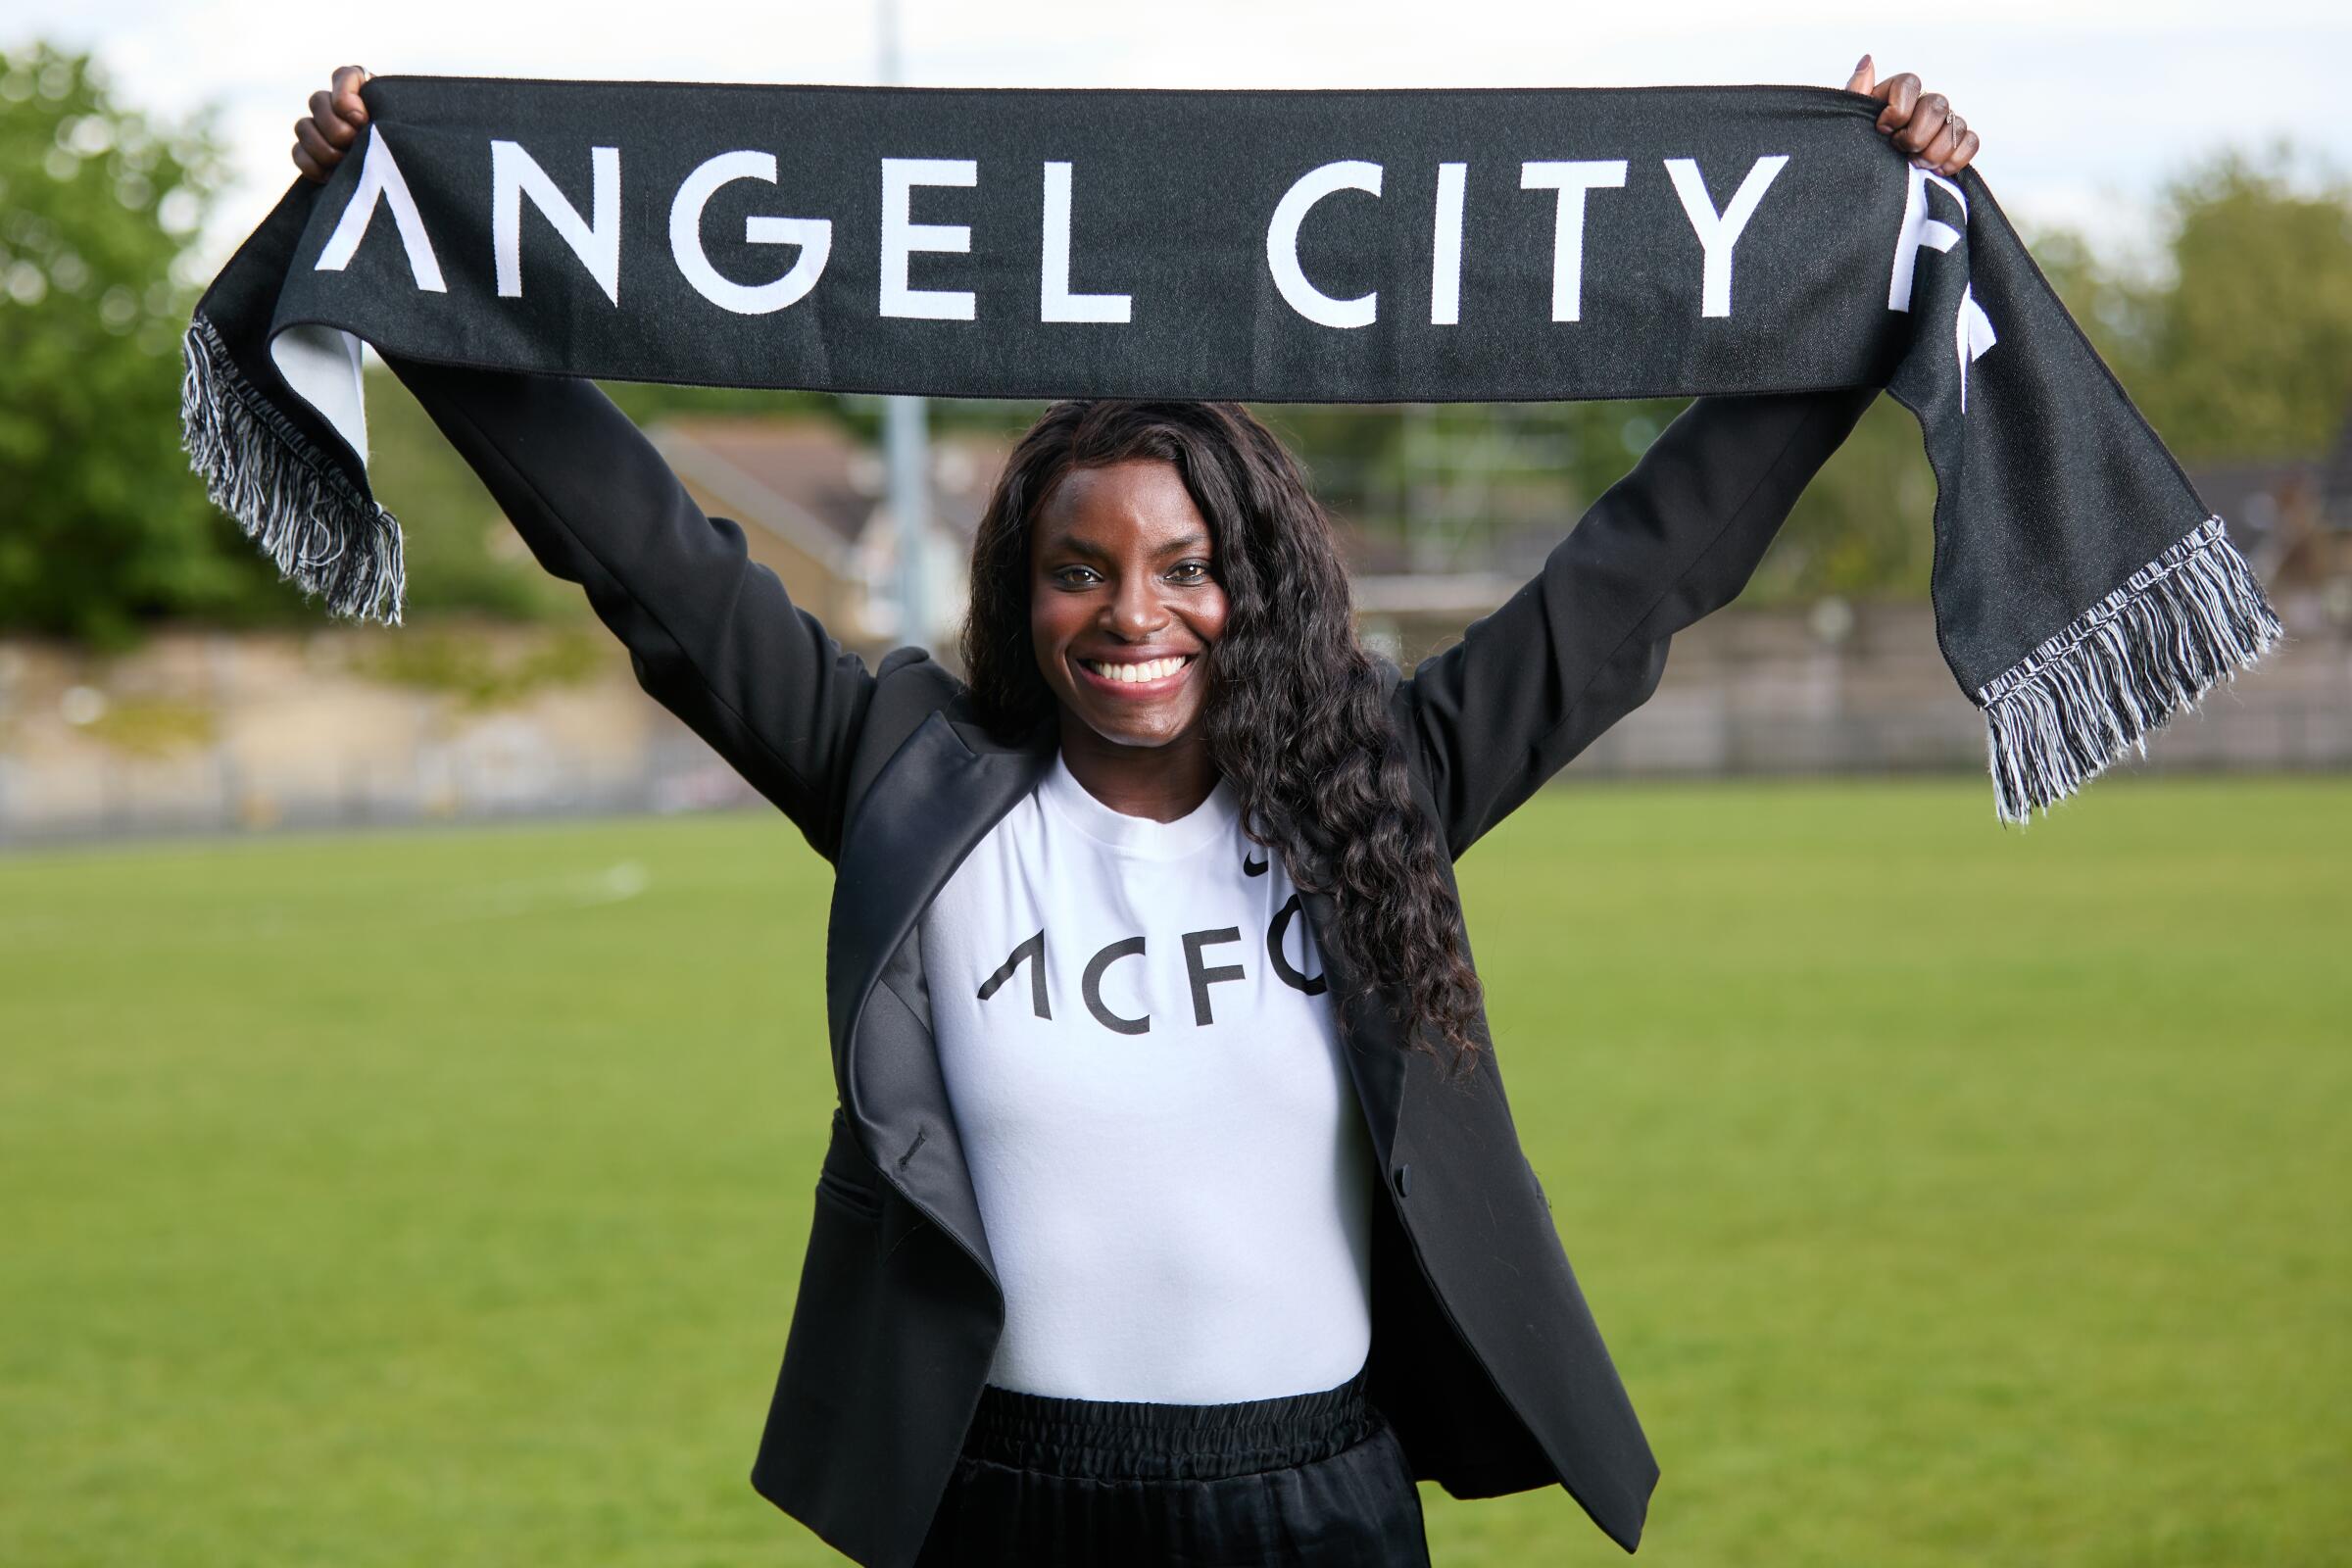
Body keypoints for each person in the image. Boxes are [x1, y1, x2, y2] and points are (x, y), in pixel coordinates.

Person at [291, 58, 1979, 1568]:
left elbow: (1637, 575)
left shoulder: (1374, 785)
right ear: (1020, 593)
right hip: (1003, 1500)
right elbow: (652, 560)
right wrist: (415, 258)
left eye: (1187, 570)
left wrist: (1860, 280)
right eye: (1076, 571)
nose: (1132, 615)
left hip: (1317, 1497)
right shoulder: (906, 775)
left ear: (1258, 584)